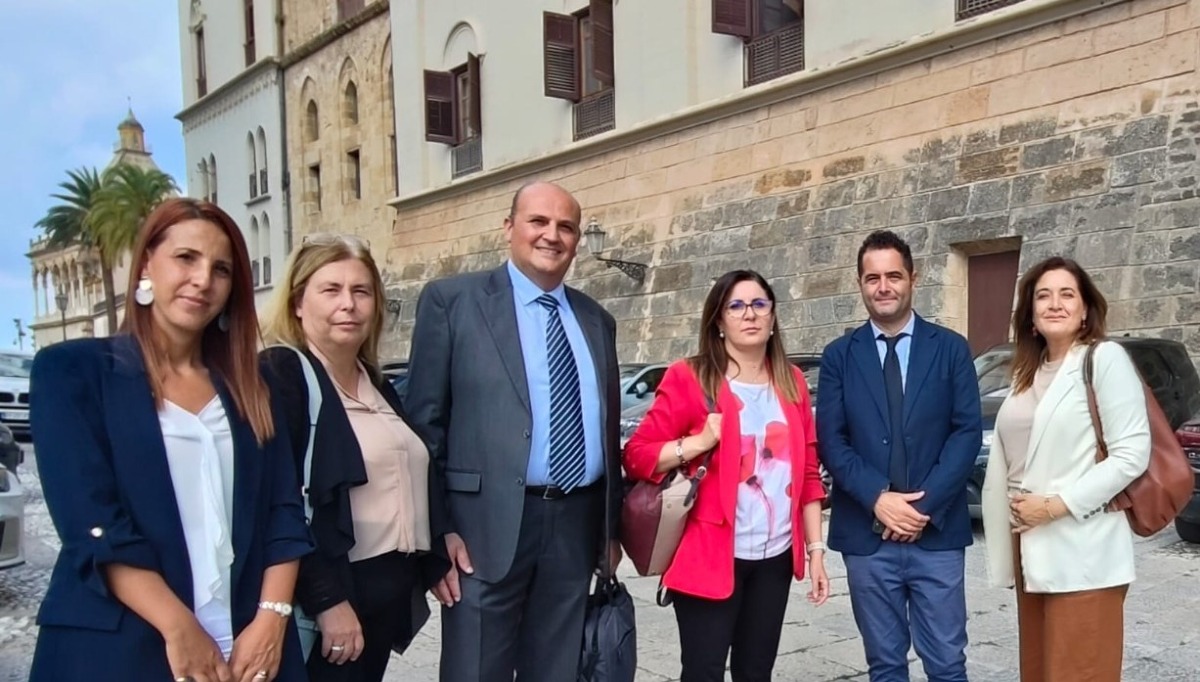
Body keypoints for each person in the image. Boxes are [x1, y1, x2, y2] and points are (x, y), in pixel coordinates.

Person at [28, 198, 313, 682]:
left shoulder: (253, 384)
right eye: (186, 258)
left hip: (247, 647)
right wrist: (179, 627)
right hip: (122, 645)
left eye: (221, 269)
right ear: (146, 265)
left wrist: (273, 618)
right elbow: (91, 522)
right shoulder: (72, 371)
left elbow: (283, 510)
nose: (203, 279)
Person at [405, 181, 623, 682]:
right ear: (509, 228)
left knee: (557, 671)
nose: (552, 235)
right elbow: (424, 428)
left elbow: (606, 431)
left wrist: (608, 531)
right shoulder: (452, 303)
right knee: (474, 671)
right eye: (538, 221)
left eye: (566, 226)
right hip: (480, 531)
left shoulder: (597, 320)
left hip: (574, 524)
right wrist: (437, 532)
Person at [259, 233, 450, 682]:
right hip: (330, 599)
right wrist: (327, 600)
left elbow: (410, 471)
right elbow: (277, 503)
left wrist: (442, 544)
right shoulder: (282, 374)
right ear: (298, 303)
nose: (349, 304)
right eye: (331, 290)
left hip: (384, 596)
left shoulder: (375, 383)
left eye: (361, 291)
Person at [624, 269, 829, 682]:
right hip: (709, 554)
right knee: (703, 671)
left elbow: (808, 473)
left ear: (773, 316)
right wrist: (698, 443)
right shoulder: (690, 377)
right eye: (735, 306)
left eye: (759, 304)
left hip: (774, 559)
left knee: (756, 672)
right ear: (719, 320)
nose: (749, 314)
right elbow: (637, 455)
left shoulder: (791, 381)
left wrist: (815, 551)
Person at [816, 230, 981, 682]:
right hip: (867, 539)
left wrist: (921, 509)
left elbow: (966, 433)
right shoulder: (839, 357)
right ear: (860, 283)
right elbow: (831, 440)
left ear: (913, 278)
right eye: (873, 278)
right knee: (885, 666)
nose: (883, 287)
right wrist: (878, 498)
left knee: (947, 664)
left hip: (937, 534)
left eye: (893, 276)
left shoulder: (951, 348)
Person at [982, 257, 1150, 681]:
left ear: (1085, 309)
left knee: (1081, 672)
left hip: (1082, 550)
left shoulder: (1104, 358)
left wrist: (1055, 506)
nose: (1054, 303)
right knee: (1039, 672)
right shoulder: (1026, 373)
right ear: (1031, 314)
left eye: (1066, 294)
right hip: (1030, 550)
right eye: (1043, 295)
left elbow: (1132, 453)